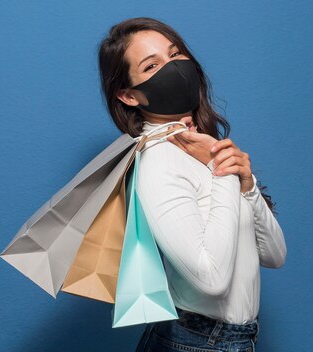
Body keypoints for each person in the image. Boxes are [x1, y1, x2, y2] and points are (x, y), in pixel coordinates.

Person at [98, 17, 287, 352]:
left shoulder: (200, 147)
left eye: (175, 54)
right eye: (152, 65)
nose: (174, 68)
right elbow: (211, 281)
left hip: (234, 340)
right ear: (129, 95)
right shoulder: (157, 162)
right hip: (196, 342)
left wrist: (248, 185)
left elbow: (274, 255)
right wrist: (222, 169)